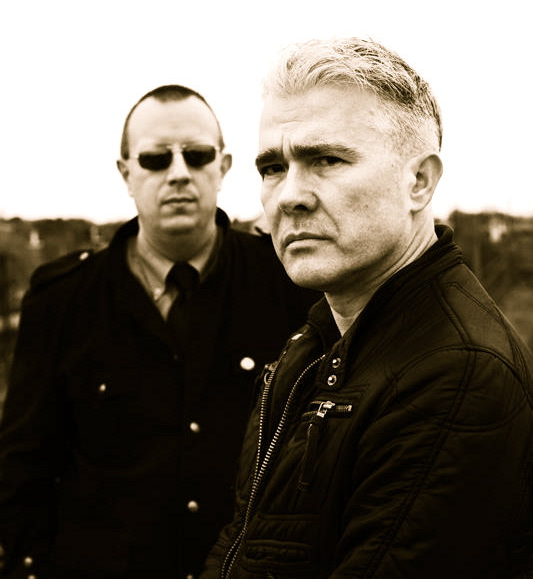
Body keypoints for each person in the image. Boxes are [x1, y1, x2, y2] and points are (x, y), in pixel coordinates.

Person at [202, 38, 533, 578]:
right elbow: (242, 541)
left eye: (327, 160)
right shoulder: (312, 345)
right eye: (273, 167)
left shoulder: (456, 375)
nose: (289, 196)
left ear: (419, 181)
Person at [0, 85, 319, 579]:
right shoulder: (62, 300)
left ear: (223, 166)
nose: (178, 173)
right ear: (126, 173)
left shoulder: (289, 285)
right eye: (154, 159)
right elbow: (24, 469)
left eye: (196, 155)